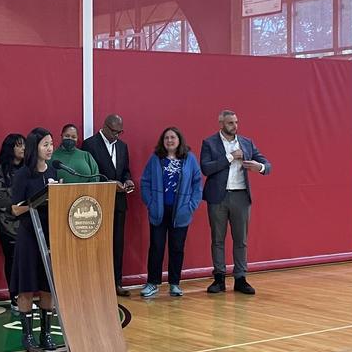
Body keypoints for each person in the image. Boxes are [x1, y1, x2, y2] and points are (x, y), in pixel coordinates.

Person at [200, 109, 272, 295]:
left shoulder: (247, 142)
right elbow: (206, 168)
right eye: (231, 123)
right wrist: (230, 157)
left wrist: (259, 167)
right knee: (217, 239)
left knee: (241, 240)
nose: (235, 126)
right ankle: (219, 278)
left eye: (236, 122)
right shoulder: (209, 143)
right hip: (218, 196)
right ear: (221, 123)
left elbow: (267, 164)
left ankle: (240, 278)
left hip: (240, 196)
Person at [139, 127, 202, 298]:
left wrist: (191, 206)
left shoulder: (189, 159)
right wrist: (150, 203)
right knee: (156, 248)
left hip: (180, 212)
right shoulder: (155, 159)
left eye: (173, 137)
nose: (169, 140)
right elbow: (144, 181)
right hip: (158, 211)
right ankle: (152, 283)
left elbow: (197, 184)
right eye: (166, 138)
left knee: (177, 248)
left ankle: (174, 284)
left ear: (179, 140)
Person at [10, 128, 58, 351]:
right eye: (45, 144)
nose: (50, 148)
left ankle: (46, 335)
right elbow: (14, 209)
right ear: (35, 147)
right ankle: (27, 336)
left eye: (51, 144)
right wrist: (36, 202)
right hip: (29, 237)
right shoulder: (23, 174)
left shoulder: (54, 172)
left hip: (50, 236)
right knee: (27, 287)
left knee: (48, 287)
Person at [82, 114, 135, 297]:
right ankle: (96, 284)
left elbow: (126, 169)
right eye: (114, 131)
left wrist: (127, 180)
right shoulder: (90, 144)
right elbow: (89, 175)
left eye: (120, 132)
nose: (117, 135)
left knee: (117, 244)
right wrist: (111, 184)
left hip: (119, 202)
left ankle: (116, 283)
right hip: (98, 201)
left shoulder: (122, 146)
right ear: (104, 127)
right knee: (97, 245)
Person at [0, 133, 25, 312]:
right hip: (8, 225)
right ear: (10, 148)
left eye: (24, 145)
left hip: (27, 224)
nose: (23, 149)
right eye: (19, 145)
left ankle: (25, 296)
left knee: (26, 262)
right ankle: (14, 298)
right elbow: (0, 200)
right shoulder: (0, 172)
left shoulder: (28, 169)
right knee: (13, 261)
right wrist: (15, 208)